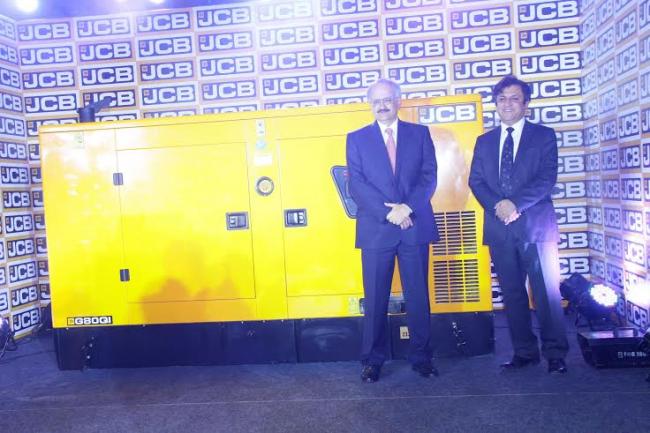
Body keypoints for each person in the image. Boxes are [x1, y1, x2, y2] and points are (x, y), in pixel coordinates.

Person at [468, 75, 569, 374]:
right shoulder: (484, 141)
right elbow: (476, 181)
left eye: (514, 98)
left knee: (546, 294)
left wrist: (515, 204)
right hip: (499, 228)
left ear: (526, 104)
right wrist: (498, 206)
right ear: (496, 104)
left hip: (536, 227)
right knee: (512, 294)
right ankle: (524, 352)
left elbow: (547, 178)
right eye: (502, 99)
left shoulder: (543, 136)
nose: (507, 104)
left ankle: (555, 353)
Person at [346, 79, 439, 383]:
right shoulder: (356, 139)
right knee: (375, 299)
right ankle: (372, 360)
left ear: (399, 101)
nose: (382, 105)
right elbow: (357, 184)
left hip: (413, 226)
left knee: (418, 297)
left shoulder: (419, 134)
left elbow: (429, 177)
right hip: (377, 229)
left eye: (387, 99)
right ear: (370, 105)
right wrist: (390, 213)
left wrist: (406, 208)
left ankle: (422, 358)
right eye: (376, 101)